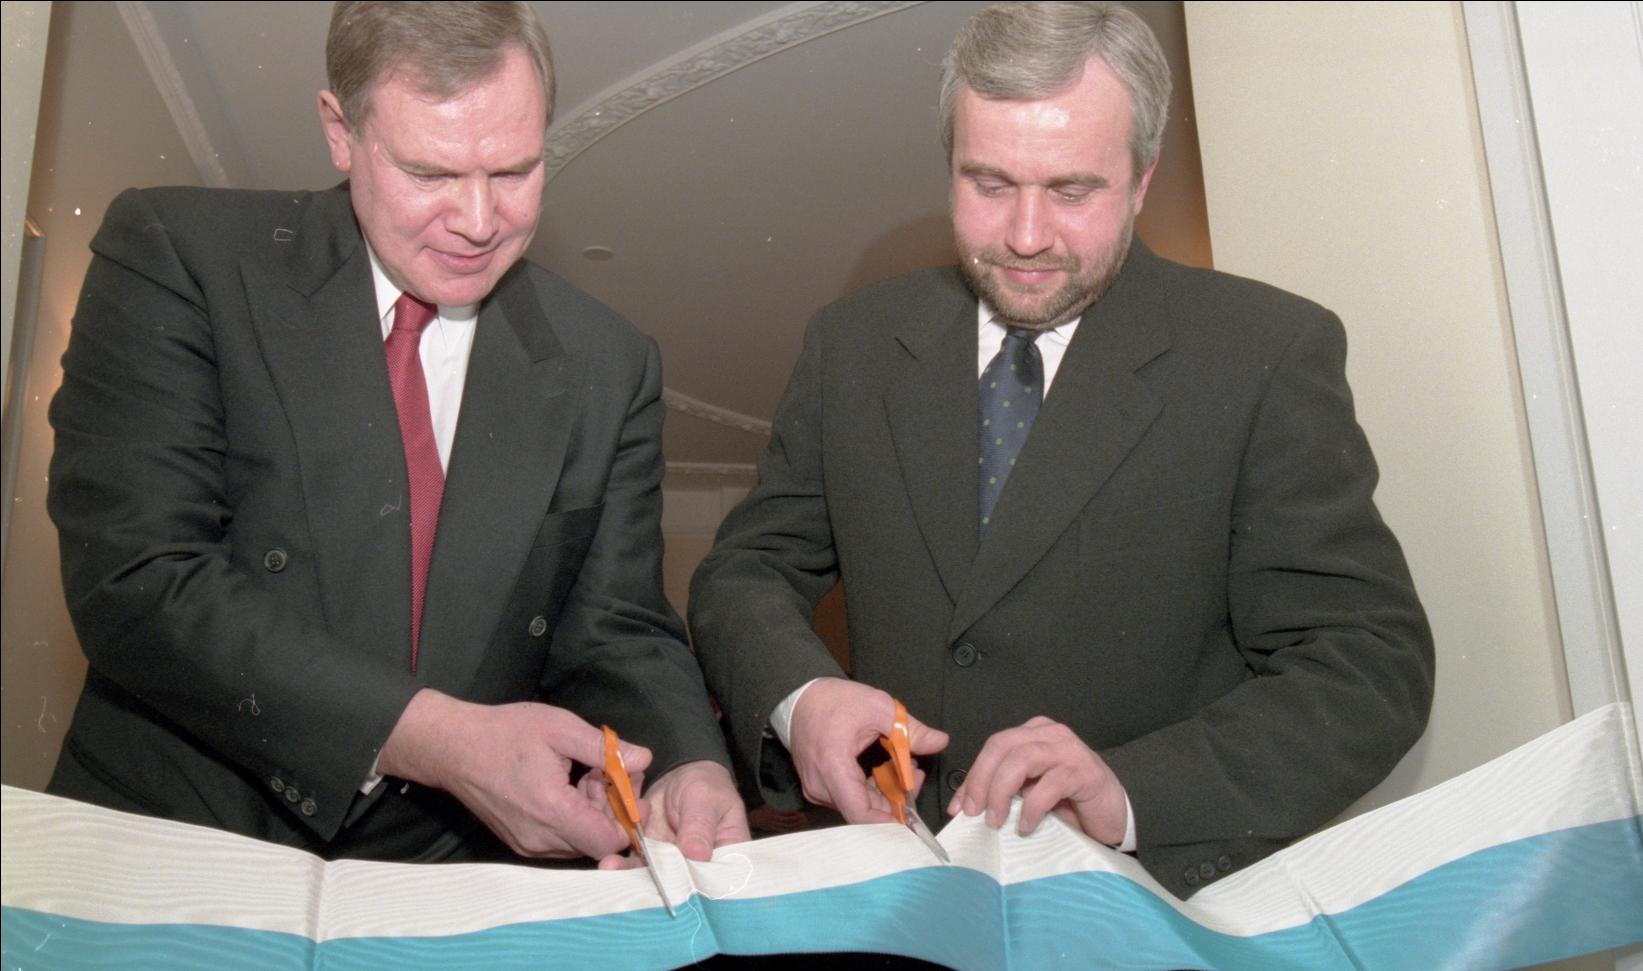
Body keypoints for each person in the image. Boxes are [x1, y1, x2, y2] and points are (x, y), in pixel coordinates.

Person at [689, 0, 1433, 899]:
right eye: (988, 184)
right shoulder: (851, 343)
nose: (1025, 236)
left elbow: (1368, 664)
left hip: (1145, 911)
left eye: (1072, 191)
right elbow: (745, 572)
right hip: (895, 896)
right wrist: (801, 698)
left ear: (1142, 179)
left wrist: (1130, 791)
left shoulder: (1263, 353)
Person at [45, 0, 746, 867]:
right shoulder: (181, 254)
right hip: (169, 841)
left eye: (516, 169)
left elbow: (617, 628)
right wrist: (442, 740)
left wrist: (685, 760)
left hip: (439, 879)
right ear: (340, 132)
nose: (480, 220)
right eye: (430, 172)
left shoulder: (610, 361)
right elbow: (138, 578)